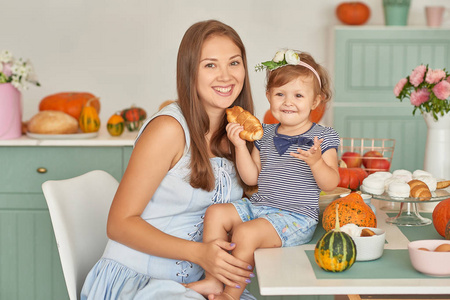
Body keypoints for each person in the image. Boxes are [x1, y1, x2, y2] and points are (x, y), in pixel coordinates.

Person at [80, 19, 257, 300]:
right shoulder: (169, 130)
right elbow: (119, 223)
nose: (226, 76)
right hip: (137, 282)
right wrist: (201, 253)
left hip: (202, 286)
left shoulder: (239, 135)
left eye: (234, 63)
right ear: (190, 71)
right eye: (210, 65)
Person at [185, 49, 340, 300]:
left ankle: (231, 294)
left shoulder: (323, 137)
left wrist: (316, 162)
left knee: (246, 233)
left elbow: (332, 183)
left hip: (296, 217)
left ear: (315, 101)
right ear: (269, 96)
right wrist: (238, 146)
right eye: (280, 94)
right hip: (260, 206)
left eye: (298, 95)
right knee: (215, 212)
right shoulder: (265, 134)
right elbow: (251, 178)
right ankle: (212, 280)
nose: (288, 102)